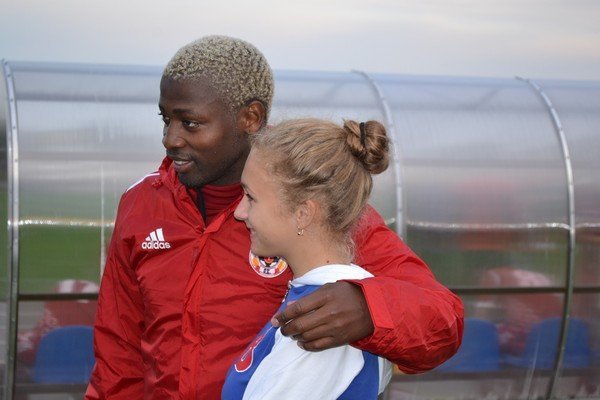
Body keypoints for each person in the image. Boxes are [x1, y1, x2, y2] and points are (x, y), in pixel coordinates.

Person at [86, 35, 464, 399]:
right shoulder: (141, 203)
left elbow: (442, 321)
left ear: (251, 117)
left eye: (191, 123)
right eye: (165, 119)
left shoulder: (322, 210)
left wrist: (370, 309)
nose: (170, 138)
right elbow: (118, 354)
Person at [222, 118, 394, 399]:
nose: (239, 212)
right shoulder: (333, 299)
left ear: (303, 213)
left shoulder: (325, 324)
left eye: (251, 198)